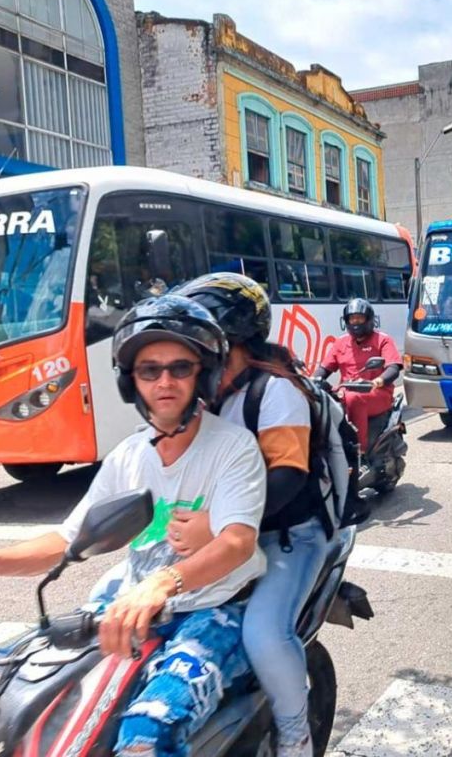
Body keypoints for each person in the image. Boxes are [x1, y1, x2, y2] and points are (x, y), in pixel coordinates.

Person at [0, 294, 267, 757]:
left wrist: (163, 581)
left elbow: (239, 542)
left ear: (204, 374)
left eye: (180, 367)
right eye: (148, 370)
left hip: (214, 608)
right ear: (130, 380)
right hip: (131, 608)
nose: (165, 381)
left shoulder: (233, 447)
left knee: (147, 730)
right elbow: (67, 538)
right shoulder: (128, 456)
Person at [166, 272, 325, 757]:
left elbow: (288, 476)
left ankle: (295, 731)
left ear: (228, 336)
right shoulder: (203, 396)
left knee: (262, 632)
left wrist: (216, 523)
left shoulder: (273, 391)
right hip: (218, 536)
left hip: (287, 536)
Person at [315, 298, 402, 451]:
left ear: (369, 320)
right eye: (351, 318)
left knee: (353, 398)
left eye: (359, 318)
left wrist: (377, 381)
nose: (355, 322)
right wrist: (311, 381)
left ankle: (359, 453)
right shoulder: (341, 342)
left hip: (377, 393)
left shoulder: (382, 340)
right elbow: (325, 368)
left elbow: (393, 368)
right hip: (345, 391)